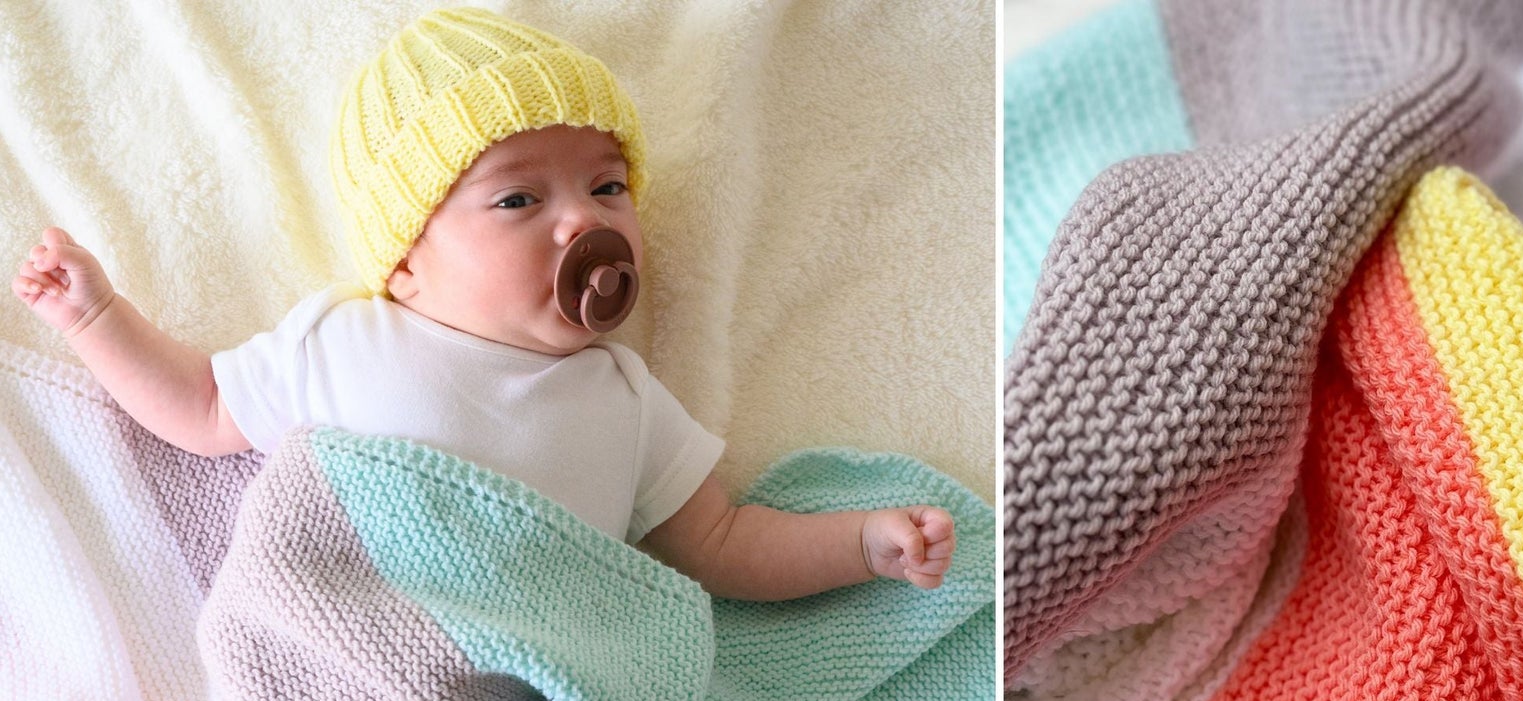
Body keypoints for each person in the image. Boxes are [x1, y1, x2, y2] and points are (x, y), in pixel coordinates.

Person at [9, 6, 953, 600]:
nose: (584, 222)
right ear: (407, 260)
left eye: (608, 188)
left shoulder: (621, 396)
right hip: (348, 642)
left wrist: (862, 544)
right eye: (517, 199)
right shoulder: (347, 337)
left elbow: (722, 541)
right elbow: (205, 408)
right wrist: (94, 319)